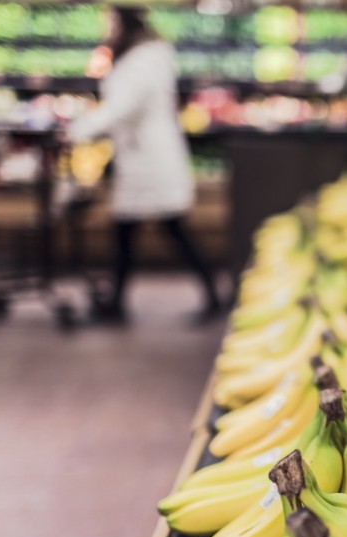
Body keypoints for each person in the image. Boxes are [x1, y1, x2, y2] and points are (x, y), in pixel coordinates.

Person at [67, 5, 222, 323]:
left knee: (169, 228)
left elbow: (122, 108)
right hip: (143, 156)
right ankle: (118, 302)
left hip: (149, 159)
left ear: (124, 23)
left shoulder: (142, 61)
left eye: (110, 22)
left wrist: (80, 128)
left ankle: (210, 295)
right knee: (129, 230)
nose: (106, 28)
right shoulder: (148, 57)